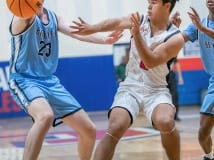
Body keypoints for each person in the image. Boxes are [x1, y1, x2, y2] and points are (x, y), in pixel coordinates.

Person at [7, 2, 122, 160]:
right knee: (45, 116)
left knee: (89, 129)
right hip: (25, 80)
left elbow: (77, 32)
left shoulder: (53, 17)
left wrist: (104, 40)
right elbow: (23, 11)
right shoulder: (23, 16)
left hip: (50, 82)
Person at [71, 0, 184, 159]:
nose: (149, 5)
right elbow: (116, 22)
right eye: (148, 2)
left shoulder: (175, 37)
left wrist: (136, 34)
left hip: (156, 89)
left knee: (166, 121)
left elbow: (150, 61)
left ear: (167, 6)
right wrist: (93, 28)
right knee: (116, 126)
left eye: (154, 2)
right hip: (131, 86)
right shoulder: (140, 20)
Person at [175, 0, 214, 159]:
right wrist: (172, 29)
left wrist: (203, 29)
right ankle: (209, 156)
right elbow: (177, 40)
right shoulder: (199, 23)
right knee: (203, 131)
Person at [166, 57, 184, 121]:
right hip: (160, 75)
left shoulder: (172, 51)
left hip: (170, 75)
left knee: (175, 95)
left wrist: (180, 77)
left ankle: (175, 116)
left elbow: (176, 63)